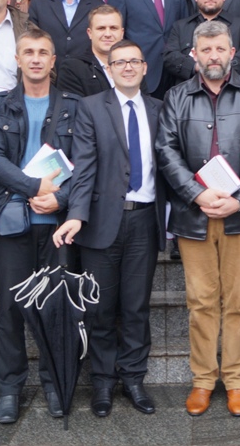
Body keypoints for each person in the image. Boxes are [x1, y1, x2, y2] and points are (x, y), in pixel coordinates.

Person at [156, 21, 240, 418]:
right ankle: (204, 379)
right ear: (194, 54)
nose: (213, 56)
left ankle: (237, 380)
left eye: (220, 49)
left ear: (232, 53)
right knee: (201, 301)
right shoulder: (176, 97)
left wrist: (239, 199)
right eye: (206, 50)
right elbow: (166, 151)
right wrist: (197, 193)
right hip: (194, 216)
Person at [54, 40, 167, 418]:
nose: (128, 67)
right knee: (100, 308)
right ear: (110, 68)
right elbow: (84, 165)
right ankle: (102, 380)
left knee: (135, 306)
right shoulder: (91, 107)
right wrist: (76, 214)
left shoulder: (159, 108)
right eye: (120, 62)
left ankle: (133, 378)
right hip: (102, 221)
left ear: (145, 67)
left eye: (134, 61)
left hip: (144, 220)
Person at [0, 28, 80, 424]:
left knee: (56, 308)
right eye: (29, 52)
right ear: (18, 60)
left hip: (57, 224)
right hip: (12, 221)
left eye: (43, 52)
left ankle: (55, 383)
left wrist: (61, 199)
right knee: (10, 307)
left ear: (53, 61)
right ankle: (10, 389)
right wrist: (33, 186)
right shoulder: (0, 107)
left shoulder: (74, 106)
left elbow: (86, 163)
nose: (36, 59)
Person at [163, 0, 240, 84]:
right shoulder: (180, 27)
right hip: (189, 92)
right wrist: (196, 67)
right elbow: (170, 57)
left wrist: (217, 69)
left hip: (231, 91)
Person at [56, 4, 123, 97]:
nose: (107, 34)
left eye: (113, 28)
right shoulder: (72, 68)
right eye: (101, 28)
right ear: (90, 33)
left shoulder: (134, 65)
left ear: (122, 33)